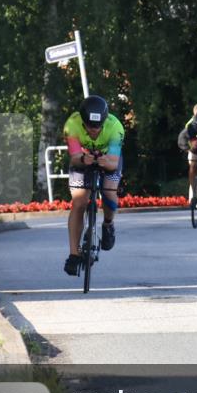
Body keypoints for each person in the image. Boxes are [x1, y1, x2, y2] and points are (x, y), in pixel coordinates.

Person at [62, 95, 125, 276]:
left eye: (98, 127)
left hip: (109, 159)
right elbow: (74, 158)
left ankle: (108, 223)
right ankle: (74, 255)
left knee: (109, 192)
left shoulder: (115, 127)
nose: (94, 131)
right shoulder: (72, 125)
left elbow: (113, 163)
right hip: (83, 159)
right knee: (79, 201)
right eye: (90, 127)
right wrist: (83, 159)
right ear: (82, 122)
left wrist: (104, 161)